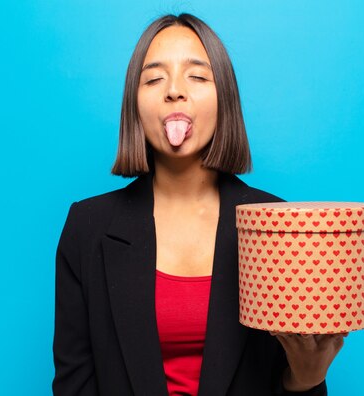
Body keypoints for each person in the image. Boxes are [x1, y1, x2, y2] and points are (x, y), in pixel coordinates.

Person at [52, 13, 346, 396]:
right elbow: (75, 384)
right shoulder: (86, 227)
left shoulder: (279, 228)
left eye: (197, 76)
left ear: (224, 96)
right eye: (154, 78)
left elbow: (291, 379)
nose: (175, 91)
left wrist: (306, 380)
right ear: (134, 106)